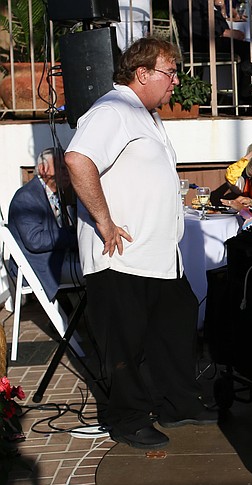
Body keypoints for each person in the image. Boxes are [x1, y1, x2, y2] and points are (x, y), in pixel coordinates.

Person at [64, 37, 217, 450]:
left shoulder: (146, 116)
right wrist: (104, 221)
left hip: (160, 258)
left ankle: (177, 403)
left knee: (175, 329)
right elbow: (78, 160)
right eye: (169, 72)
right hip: (121, 257)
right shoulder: (113, 110)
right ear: (142, 73)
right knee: (125, 344)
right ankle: (128, 419)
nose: (175, 81)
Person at [7, 148, 81, 302]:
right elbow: (35, 240)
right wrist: (75, 237)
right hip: (41, 267)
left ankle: (68, 321)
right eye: (62, 167)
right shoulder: (26, 197)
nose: (67, 172)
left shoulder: (53, 194)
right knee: (94, 273)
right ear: (42, 169)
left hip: (57, 260)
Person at [171, 0, 252, 105]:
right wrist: (223, 32)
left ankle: (246, 97)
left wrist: (222, 8)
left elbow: (212, 18)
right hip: (200, 42)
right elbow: (191, 20)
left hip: (211, 39)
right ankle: (247, 99)